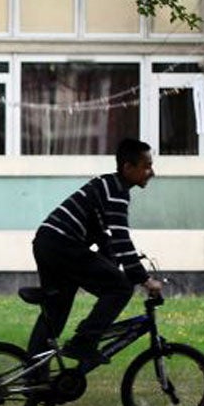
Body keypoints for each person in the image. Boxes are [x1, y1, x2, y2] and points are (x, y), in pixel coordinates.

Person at [26, 138, 162, 369]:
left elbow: (104, 238)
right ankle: (84, 342)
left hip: (47, 241)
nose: (151, 172)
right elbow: (120, 239)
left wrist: (117, 264)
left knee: (56, 309)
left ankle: (34, 376)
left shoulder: (107, 185)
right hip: (63, 244)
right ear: (128, 168)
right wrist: (143, 279)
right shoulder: (116, 191)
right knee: (120, 288)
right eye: (146, 166)